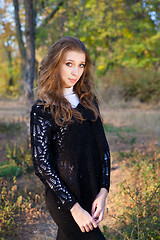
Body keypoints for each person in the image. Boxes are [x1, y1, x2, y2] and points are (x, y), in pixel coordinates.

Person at [30, 36, 110, 240]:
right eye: (69, 64)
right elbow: (42, 165)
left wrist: (103, 191)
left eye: (81, 65)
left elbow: (103, 150)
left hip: (90, 192)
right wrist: (74, 209)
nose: (76, 72)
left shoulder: (88, 102)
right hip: (63, 200)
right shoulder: (43, 109)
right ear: (55, 64)